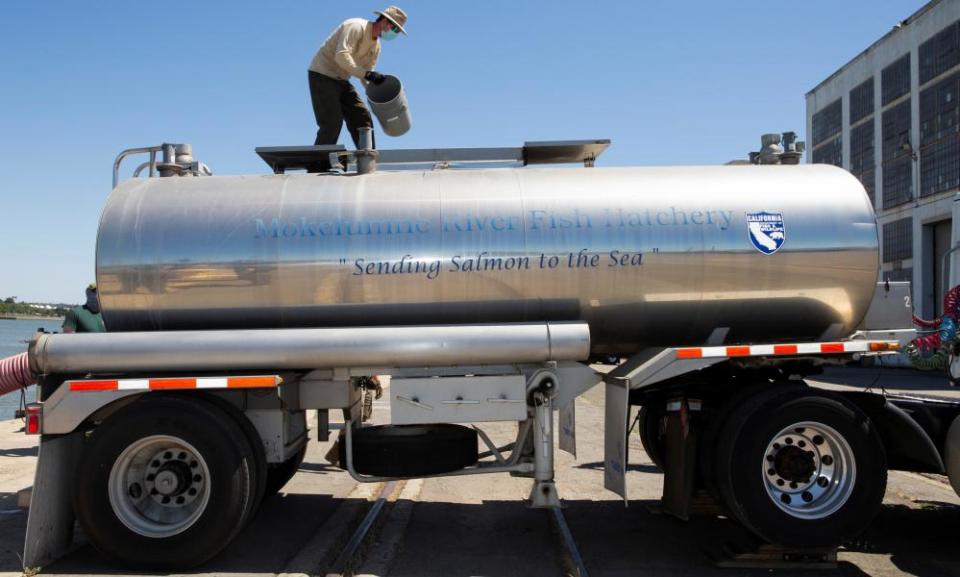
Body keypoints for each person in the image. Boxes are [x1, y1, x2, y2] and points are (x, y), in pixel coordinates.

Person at [308, 6, 408, 154]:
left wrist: (378, 90)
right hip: (322, 74)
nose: (395, 34)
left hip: (341, 79)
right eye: (395, 29)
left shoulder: (376, 46)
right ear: (385, 21)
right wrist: (367, 75)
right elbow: (341, 56)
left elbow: (367, 74)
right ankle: (317, 164)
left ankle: (368, 159)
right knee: (332, 122)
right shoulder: (356, 26)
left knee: (362, 117)